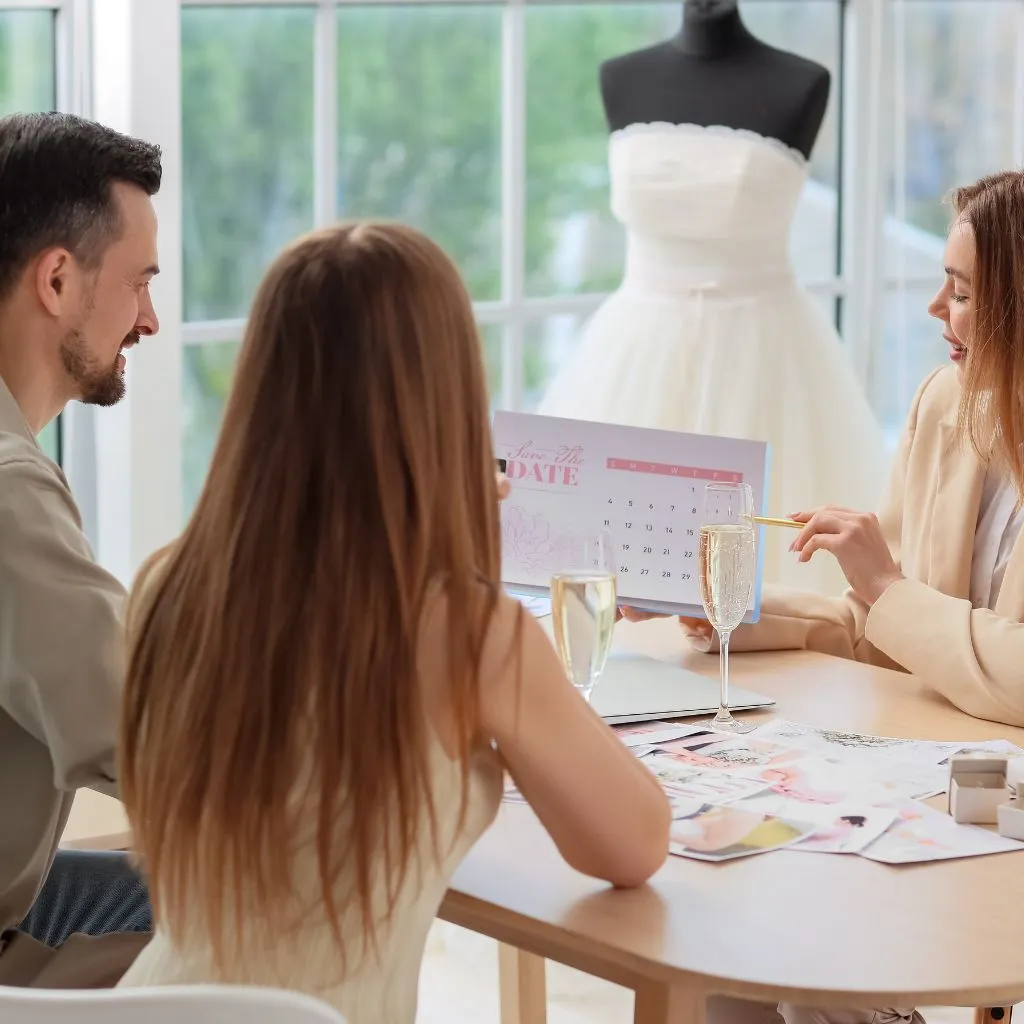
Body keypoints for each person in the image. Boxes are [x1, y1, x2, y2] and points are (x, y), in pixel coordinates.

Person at [115, 222, 671, 1023]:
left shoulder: (166, 584)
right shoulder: (472, 632)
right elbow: (631, 844)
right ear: (443, 401)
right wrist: (463, 540)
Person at [639, 169, 1024, 1024]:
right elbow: (888, 630)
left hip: (1001, 800)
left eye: (960, 293)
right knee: (725, 927)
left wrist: (885, 584)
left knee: (806, 946)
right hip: (931, 762)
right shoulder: (949, 408)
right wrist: (731, 607)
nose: (935, 309)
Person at [0, 111, 161, 986]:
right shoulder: (8, 489)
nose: (151, 319)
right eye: (139, 283)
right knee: (299, 905)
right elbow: (152, 740)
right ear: (57, 279)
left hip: (19, 892)